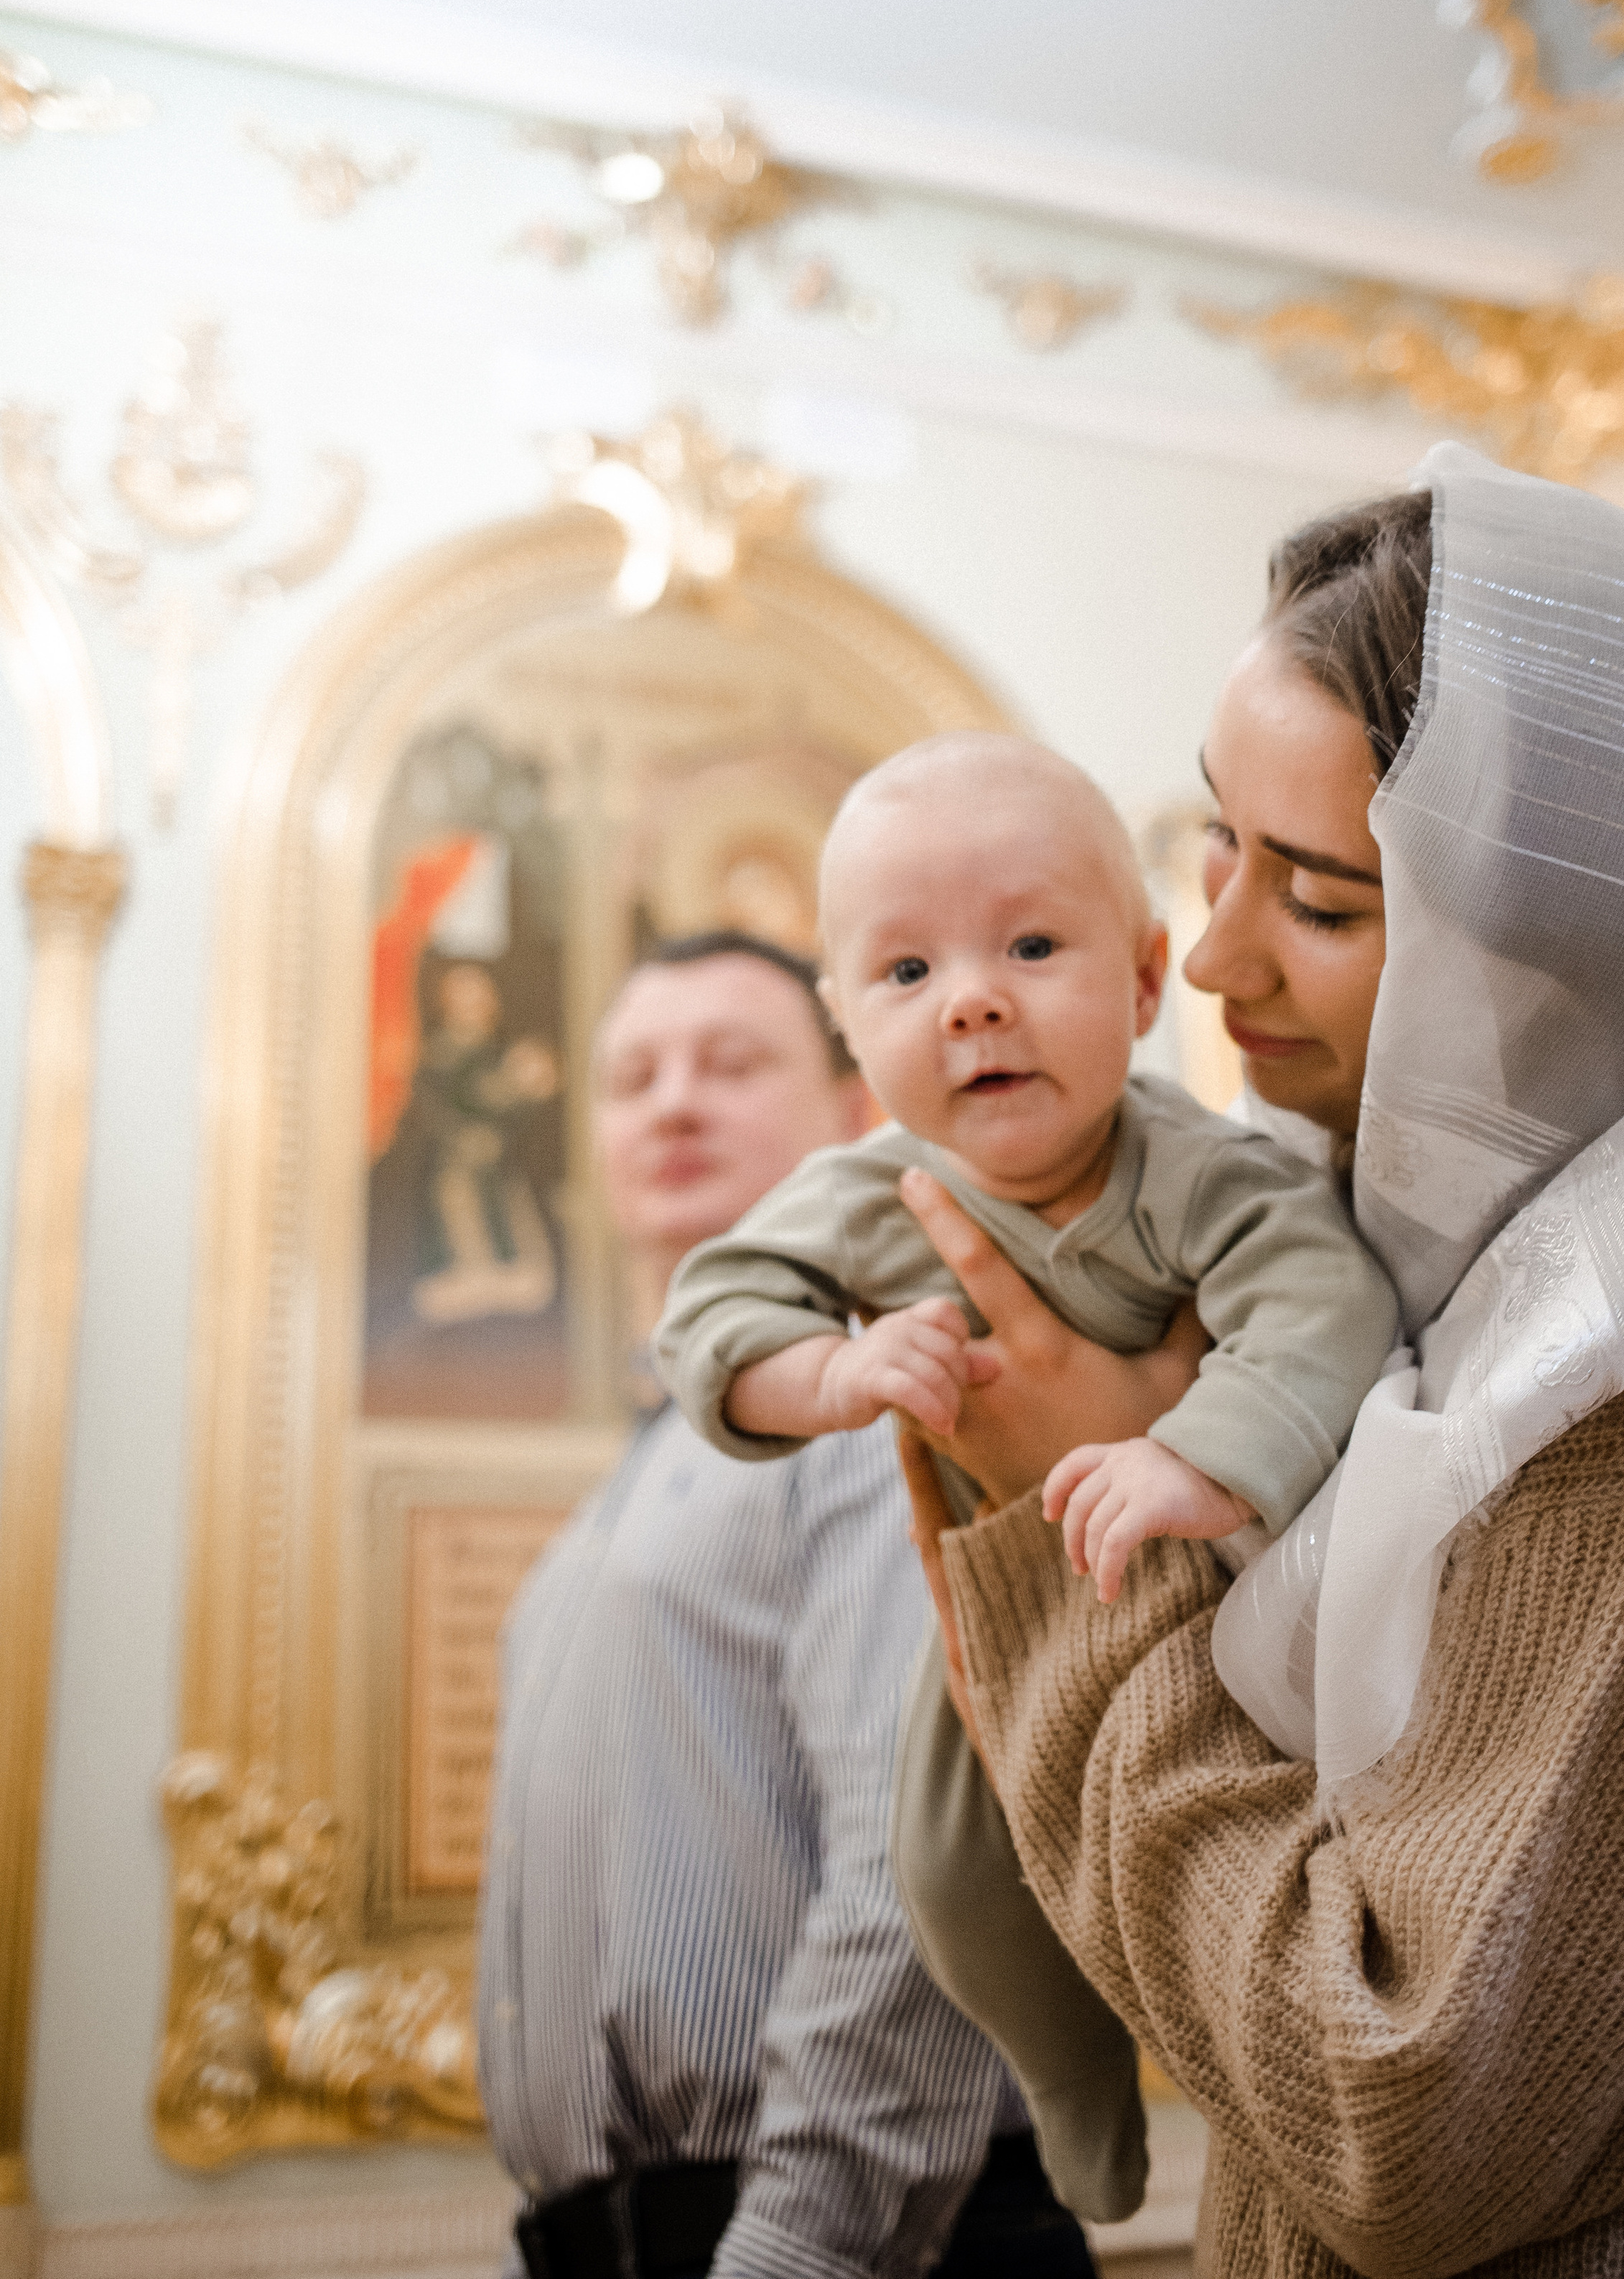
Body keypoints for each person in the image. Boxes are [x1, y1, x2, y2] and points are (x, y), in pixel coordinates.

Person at [900, 447, 1624, 2275]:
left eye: (1323, 903)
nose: (1211, 954)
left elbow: (1392, 2111)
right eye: (1217, 845)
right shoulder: (1415, 1318)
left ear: (1557, 972)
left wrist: (1101, 1571)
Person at [650, 740, 1398, 2217]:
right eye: (906, 971)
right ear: (849, 1032)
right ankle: (1072, 2093)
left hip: (1237, 1584)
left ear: (1138, 982)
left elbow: (1323, 1307)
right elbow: (711, 1323)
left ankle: (1237, 2081)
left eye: (1031, 946)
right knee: (941, 1870)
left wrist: (1191, 1458)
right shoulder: (869, 1193)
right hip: (1008, 1602)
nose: (973, 999)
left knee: (1242, 1854)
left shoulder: (1198, 1173)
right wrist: (838, 1377)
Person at [476, 931, 1099, 2279]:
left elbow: (916, 1885)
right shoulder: (637, 1480)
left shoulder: (898, 1400)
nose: (673, 1100)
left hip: (858, 2238)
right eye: (632, 1075)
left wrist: (790, 2255)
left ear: (854, 1110)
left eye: (731, 1061)